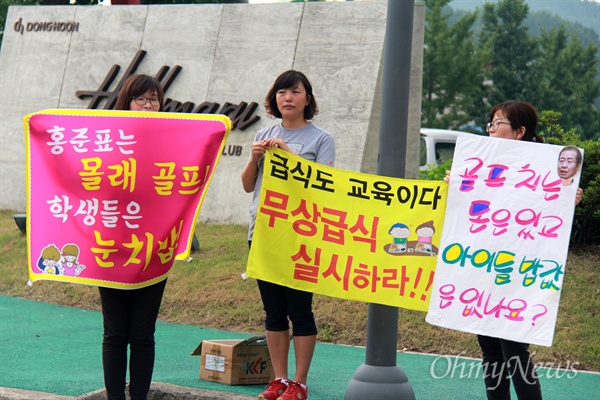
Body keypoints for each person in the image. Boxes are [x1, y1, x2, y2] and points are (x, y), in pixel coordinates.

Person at [446, 100, 582, 400]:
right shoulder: (482, 166)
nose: (491, 130)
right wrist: (457, 186)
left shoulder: (547, 169)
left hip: (519, 276)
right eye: (490, 124)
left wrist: (567, 199)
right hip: (484, 268)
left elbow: (547, 216)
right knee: (491, 351)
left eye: (499, 124)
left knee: (514, 351)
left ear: (520, 131)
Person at [241, 70, 335, 400]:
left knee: (301, 310)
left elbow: (325, 187)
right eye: (282, 92)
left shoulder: (321, 139)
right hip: (263, 233)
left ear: (308, 99)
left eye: (295, 92)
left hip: (301, 236)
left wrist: (289, 156)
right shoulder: (264, 132)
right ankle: (279, 380)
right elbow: (248, 185)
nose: (288, 98)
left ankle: (299, 382)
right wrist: (254, 158)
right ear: (274, 99)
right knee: (274, 311)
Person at [99, 74, 167, 400]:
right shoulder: (104, 139)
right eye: (142, 99)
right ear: (126, 101)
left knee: (142, 334)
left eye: (154, 99)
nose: (149, 105)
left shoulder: (171, 140)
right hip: (109, 247)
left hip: (154, 248)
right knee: (114, 334)